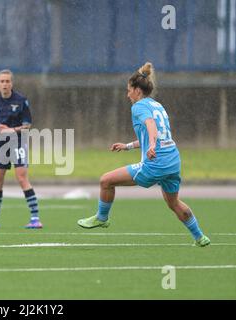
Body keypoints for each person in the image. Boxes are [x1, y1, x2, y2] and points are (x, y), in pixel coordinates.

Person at [77, 62, 210, 247]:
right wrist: (128, 146)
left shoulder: (138, 107)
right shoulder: (157, 105)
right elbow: (153, 133)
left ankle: (102, 218)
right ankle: (200, 237)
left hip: (156, 163)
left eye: (129, 90)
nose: (127, 94)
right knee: (174, 203)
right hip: (173, 161)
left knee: (106, 181)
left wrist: (152, 146)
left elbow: (150, 126)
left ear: (137, 90)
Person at [0, 69, 42, 229]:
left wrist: (12, 130)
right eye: (2, 81)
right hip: (0, 144)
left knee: (22, 178)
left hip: (18, 142)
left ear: (12, 83)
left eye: (8, 81)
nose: (5, 84)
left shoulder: (21, 100)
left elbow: (28, 125)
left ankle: (35, 218)